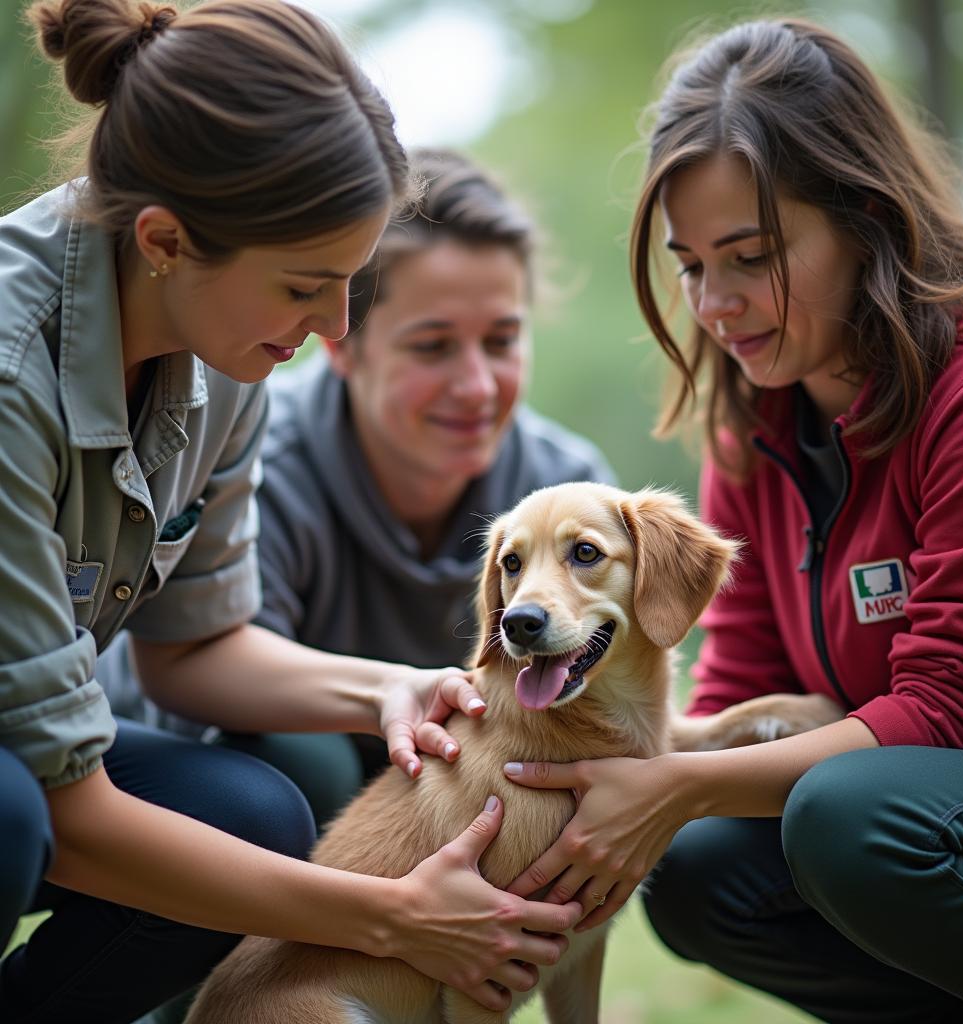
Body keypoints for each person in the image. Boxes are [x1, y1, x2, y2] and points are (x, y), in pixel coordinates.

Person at [0, 2, 583, 1022]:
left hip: (35, 770)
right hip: (26, 790)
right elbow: (68, 810)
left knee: (252, 813)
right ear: (166, 241)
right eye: (308, 287)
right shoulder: (13, 375)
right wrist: (391, 914)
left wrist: (386, 690)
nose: (333, 328)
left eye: (350, 284)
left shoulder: (223, 343)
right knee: (8, 817)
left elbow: (196, 647)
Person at [501, 18, 963, 1024]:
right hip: (930, 812)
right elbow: (745, 690)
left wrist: (670, 788)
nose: (713, 303)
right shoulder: (757, 422)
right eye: (691, 265)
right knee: (702, 870)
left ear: (865, 216)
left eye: (749, 255)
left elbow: (961, 709)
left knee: (843, 816)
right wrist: (543, 770)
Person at [98, 147, 615, 831]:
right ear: (343, 343)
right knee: (304, 764)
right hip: (200, 769)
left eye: (501, 341)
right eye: (432, 347)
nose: (477, 387)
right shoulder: (262, 457)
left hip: (431, 780)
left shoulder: (563, 489)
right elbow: (203, 671)